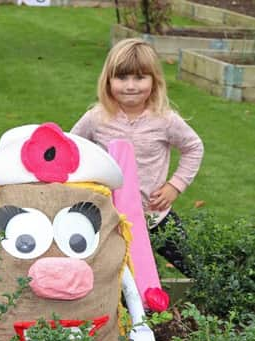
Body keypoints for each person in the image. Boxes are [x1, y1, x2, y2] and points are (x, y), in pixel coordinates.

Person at [71, 38, 204, 276]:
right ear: (108, 80)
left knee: (198, 268)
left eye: (140, 78)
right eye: (122, 78)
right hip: (109, 218)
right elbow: (71, 148)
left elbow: (193, 147)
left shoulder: (165, 119)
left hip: (155, 215)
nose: (130, 86)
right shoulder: (96, 118)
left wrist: (175, 185)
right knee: (112, 277)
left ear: (154, 81)